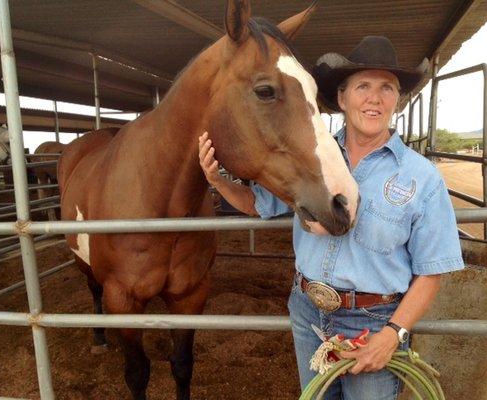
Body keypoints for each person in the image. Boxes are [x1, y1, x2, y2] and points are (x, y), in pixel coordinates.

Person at [198, 36, 464, 399]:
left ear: (397, 101)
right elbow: (257, 204)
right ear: (342, 98)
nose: (374, 98)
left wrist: (391, 335)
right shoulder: (310, 159)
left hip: (373, 322)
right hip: (308, 311)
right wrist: (217, 180)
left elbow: (432, 271)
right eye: (363, 86)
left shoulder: (422, 177)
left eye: (386, 88)